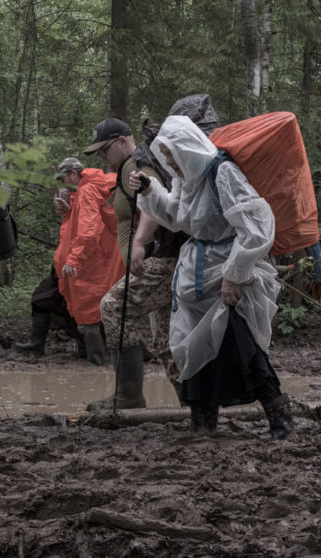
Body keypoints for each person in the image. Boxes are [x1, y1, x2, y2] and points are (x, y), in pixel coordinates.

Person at [131, 115, 294, 439]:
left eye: (171, 156)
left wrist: (234, 275)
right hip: (197, 274)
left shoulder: (223, 172)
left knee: (242, 347)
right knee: (195, 349)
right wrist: (151, 191)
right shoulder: (187, 178)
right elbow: (178, 217)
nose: (168, 163)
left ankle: (281, 423)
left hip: (226, 271)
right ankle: (202, 423)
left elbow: (257, 225)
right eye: (165, 157)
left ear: (185, 149)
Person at [84, 102, 218, 410]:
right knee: (165, 342)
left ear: (122, 141)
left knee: (114, 307)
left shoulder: (136, 163)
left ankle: (129, 395)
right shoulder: (128, 166)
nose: (102, 157)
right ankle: (195, 405)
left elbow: (153, 193)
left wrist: (141, 241)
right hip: (172, 258)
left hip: (167, 259)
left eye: (104, 150)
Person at [51, 156, 125, 366]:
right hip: (107, 256)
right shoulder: (99, 185)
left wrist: (73, 259)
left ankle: (96, 364)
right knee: (111, 308)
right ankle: (137, 356)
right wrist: (69, 209)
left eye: (63, 179)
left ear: (74, 174)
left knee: (87, 310)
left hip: (91, 261)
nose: (63, 184)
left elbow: (88, 229)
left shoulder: (87, 191)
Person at [13, 187, 83, 357]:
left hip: (78, 274)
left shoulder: (81, 218)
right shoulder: (66, 220)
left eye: (60, 202)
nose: (56, 206)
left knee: (80, 312)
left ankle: (88, 349)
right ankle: (37, 343)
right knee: (40, 299)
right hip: (59, 274)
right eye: (55, 203)